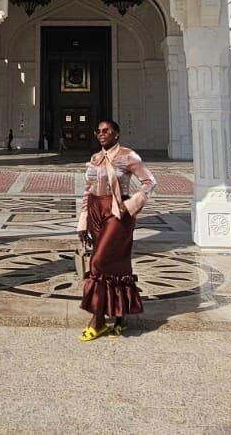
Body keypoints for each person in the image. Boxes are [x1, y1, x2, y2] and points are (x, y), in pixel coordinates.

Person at [76, 118, 157, 341]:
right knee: (115, 265)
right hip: (95, 211)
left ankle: (98, 320)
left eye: (106, 130)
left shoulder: (128, 156)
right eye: (99, 131)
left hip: (117, 213)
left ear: (116, 134)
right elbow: (88, 189)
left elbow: (150, 182)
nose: (102, 134)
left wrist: (130, 205)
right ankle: (120, 316)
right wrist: (83, 221)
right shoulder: (95, 158)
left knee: (97, 262)